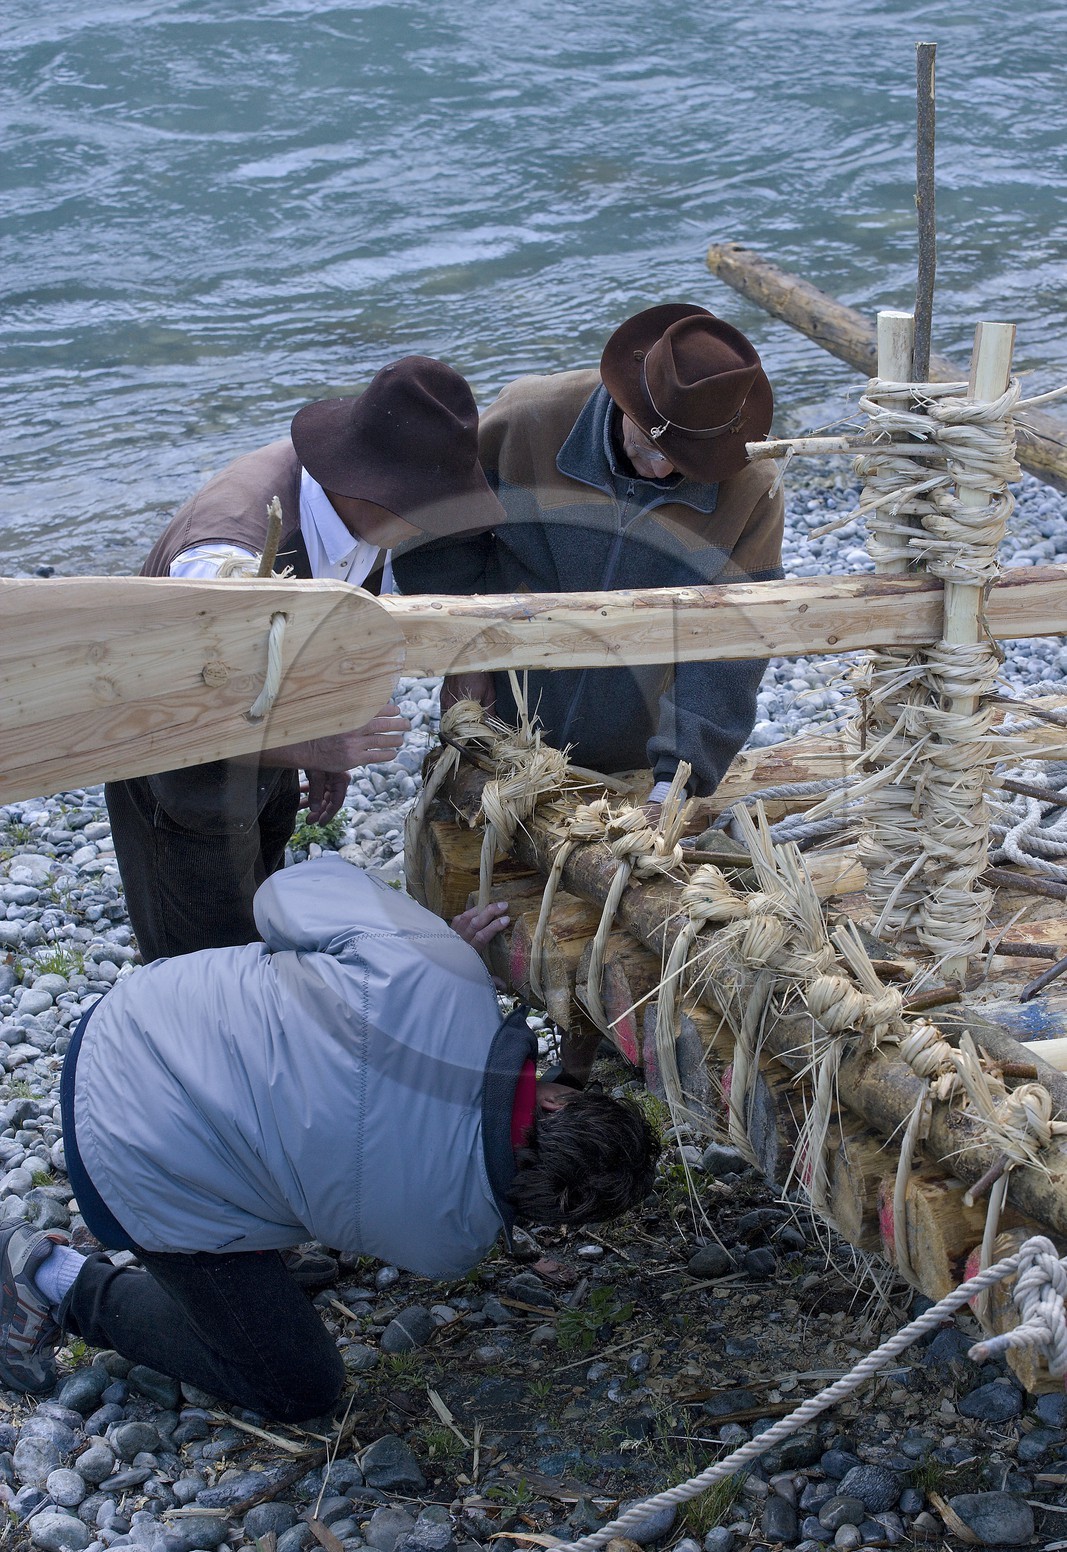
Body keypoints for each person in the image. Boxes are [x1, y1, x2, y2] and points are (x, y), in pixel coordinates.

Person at [0, 857, 659, 1419]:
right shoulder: (450, 1243)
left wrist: (425, 941)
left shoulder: (445, 972)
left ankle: (47, 1275)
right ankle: (55, 1281)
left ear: (554, 1098)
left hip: (135, 1033)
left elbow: (288, 891)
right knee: (296, 1385)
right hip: (138, 1143)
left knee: (294, 1370)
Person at [105, 356, 505, 963]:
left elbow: (314, 636)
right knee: (207, 965)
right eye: (428, 506)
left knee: (263, 918)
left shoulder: (356, 509)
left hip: (260, 764)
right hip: (178, 788)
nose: (436, 523)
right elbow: (168, 714)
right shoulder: (222, 556)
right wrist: (313, 747)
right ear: (371, 486)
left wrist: (318, 736)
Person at [391, 304, 785, 814]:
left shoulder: (753, 485)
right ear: (627, 403)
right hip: (499, 716)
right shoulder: (526, 420)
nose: (662, 467)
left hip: (634, 750)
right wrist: (466, 656)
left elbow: (733, 642)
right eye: (650, 445)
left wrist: (678, 777)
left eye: (684, 462)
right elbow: (437, 534)